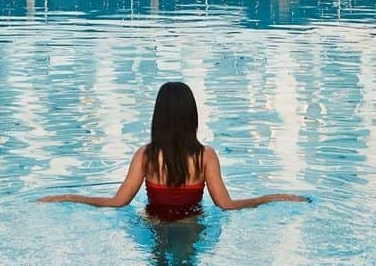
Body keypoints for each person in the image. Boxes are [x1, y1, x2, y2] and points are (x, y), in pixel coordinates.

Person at [39, 81, 309, 214]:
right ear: (192, 115)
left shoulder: (146, 156)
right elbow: (227, 205)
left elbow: (117, 203)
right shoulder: (205, 157)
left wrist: (68, 197)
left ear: (158, 116)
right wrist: (273, 197)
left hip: (154, 226)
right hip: (192, 226)